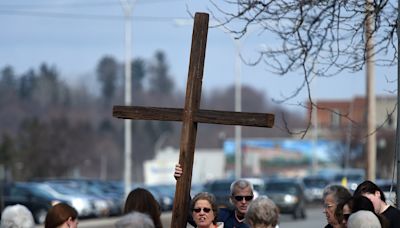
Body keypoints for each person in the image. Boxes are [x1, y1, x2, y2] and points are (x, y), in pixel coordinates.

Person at [174, 164, 253, 227]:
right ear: (231, 199)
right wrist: (181, 179)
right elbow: (190, 213)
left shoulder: (259, 219)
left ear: (252, 198)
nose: (243, 201)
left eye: (248, 198)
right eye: (239, 198)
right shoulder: (222, 216)